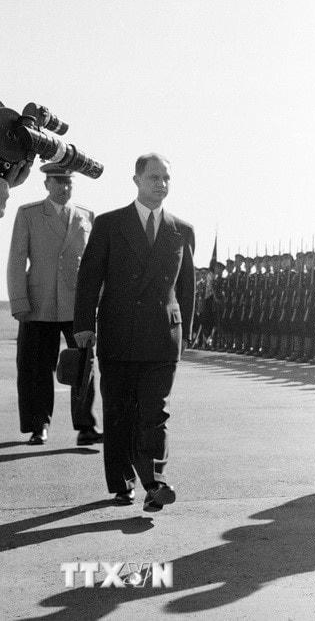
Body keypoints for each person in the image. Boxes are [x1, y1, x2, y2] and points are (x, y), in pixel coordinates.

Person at [73, 153, 195, 511]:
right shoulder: (110, 224)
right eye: (154, 177)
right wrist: (83, 325)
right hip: (119, 334)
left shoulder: (181, 230)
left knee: (155, 413)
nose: (161, 184)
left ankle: (155, 483)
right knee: (119, 413)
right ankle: (122, 483)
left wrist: (184, 333)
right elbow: (89, 278)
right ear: (136, 180)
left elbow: (185, 288)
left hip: (162, 337)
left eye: (166, 178)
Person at [7, 164, 99, 445]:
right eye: (58, 182)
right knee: (36, 367)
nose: (65, 187)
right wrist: (19, 301)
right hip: (39, 304)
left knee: (83, 367)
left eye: (69, 182)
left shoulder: (86, 216)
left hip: (76, 305)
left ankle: (85, 426)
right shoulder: (29, 214)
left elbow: (94, 267)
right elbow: (16, 260)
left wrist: (95, 305)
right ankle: (39, 425)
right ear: (47, 184)